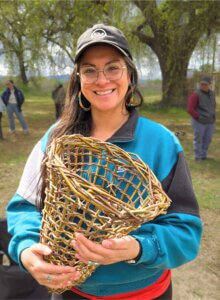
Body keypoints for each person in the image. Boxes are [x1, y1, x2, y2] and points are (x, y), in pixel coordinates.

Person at [7, 24, 202, 300]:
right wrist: (26, 249)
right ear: (78, 78)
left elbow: (186, 232)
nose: (101, 80)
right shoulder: (56, 138)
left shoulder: (163, 143)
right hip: (70, 292)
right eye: (89, 70)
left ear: (130, 74)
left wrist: (138, 247)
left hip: (144, 294)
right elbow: (24, 205)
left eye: (113, 67)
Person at [187, 76, 216, 161]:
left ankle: (203, 155)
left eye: (205, 84)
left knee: (207, 139)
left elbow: (213, 105)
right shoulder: (195, 95)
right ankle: (198, 156)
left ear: (209, 85)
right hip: (199, 121)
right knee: (199, 139)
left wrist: (212, 115)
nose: (203, 86)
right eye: (202, 84)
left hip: (210, 121)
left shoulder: (212, 94)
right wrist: (198, 117)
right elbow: (190, 109)